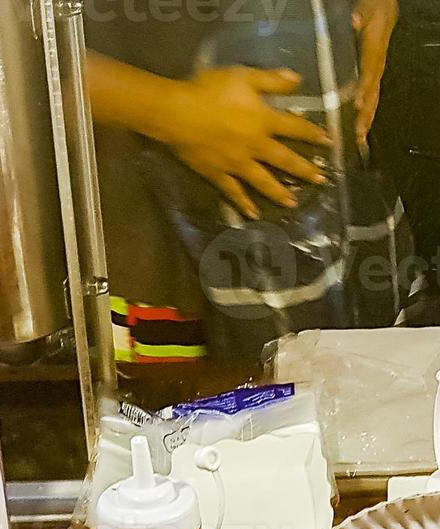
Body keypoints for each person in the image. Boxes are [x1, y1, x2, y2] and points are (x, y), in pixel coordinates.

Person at [83, 0, 422, 361]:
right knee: (213, 410)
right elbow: (20, 53)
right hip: (171, 248)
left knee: (371, 389)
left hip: (347, 211)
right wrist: (168, 111)